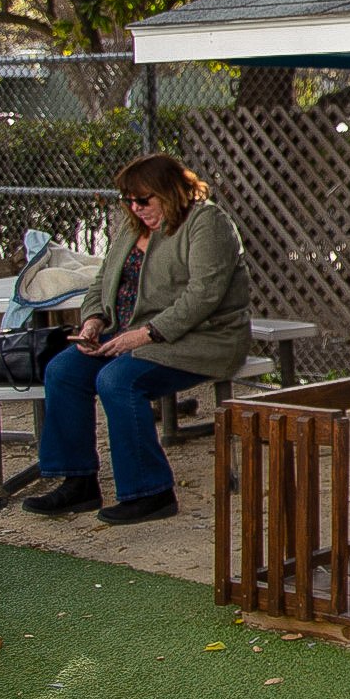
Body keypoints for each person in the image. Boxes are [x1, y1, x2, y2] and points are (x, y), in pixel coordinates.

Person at [23, 153, 252, 524]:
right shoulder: (132, 228)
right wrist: (94, 320)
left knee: (117, 380)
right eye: (128, 199)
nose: (135, 207)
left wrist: (143, 335)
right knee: (63, 370)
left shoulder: (207, 222)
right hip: (128, 332)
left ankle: (151, 492)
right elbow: (102, 280)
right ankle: (77, 482)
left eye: (144, 199)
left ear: (171, 191)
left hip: (202, 338)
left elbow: (205, 294)